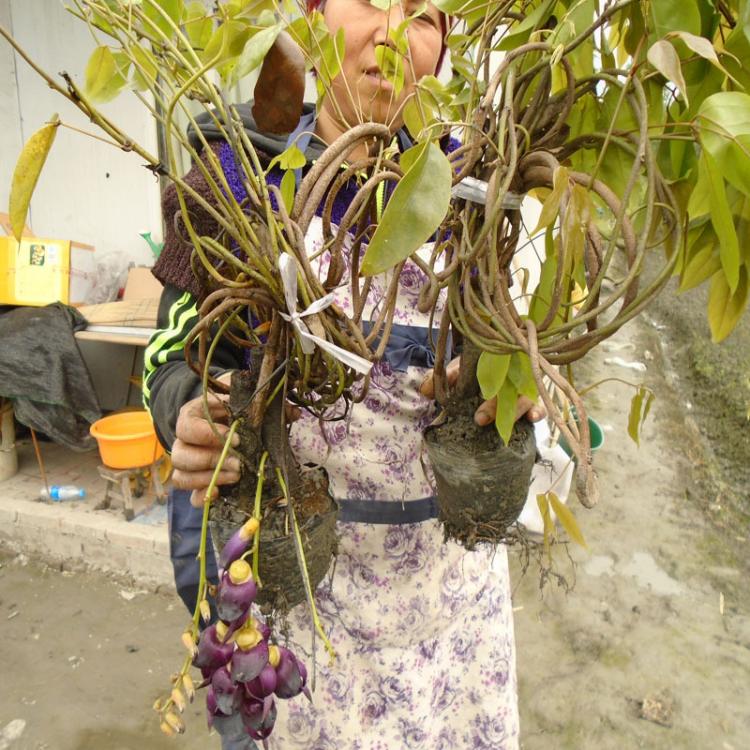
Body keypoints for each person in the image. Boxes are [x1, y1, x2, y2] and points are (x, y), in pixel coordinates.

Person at [145, 1, 544, 747]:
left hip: (449, 618)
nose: (394, 35)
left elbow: (524, 342)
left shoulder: (478, 199)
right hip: (300, 616)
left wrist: (512, 377)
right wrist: (187, 410)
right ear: (312, 16)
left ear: (446, 45)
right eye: (367, 1)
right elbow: (170, 356)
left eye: (425, 14)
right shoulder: (236, 183)